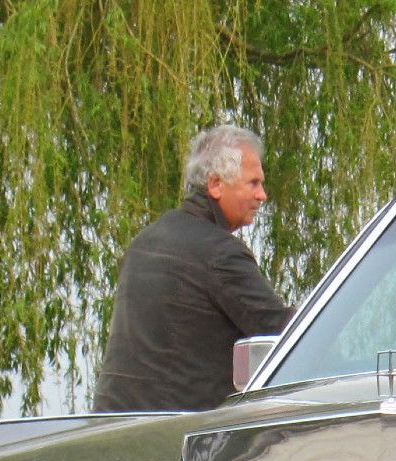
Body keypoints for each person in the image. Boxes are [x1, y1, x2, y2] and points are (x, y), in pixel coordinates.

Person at [92, 125, 295, 412]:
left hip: (112, 423)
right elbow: (283, 333)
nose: (262, 195)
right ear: (215, 185)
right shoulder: (220, 253)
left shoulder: (143, 241)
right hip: (177, 434)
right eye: (253, 183)